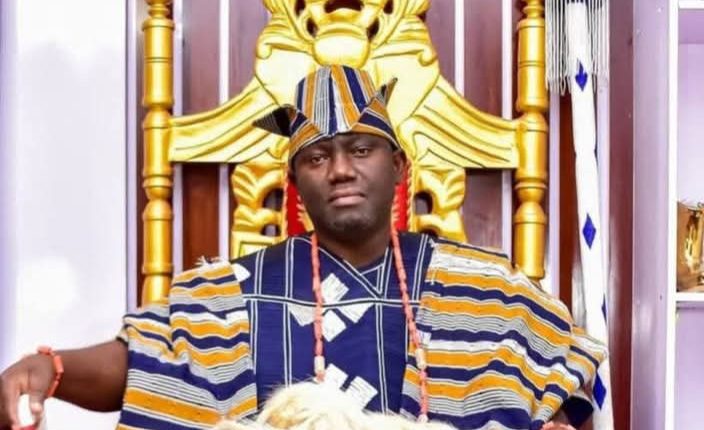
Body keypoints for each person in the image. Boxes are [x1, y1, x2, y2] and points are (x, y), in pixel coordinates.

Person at [0, 65, 603, 430]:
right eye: (317, 157)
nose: (340, 170)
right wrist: (51, 367)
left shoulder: (486, 290)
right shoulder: (233, 294)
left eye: (361, 150)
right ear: (295, 183)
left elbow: (558, 384)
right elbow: (145, 364)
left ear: (398, 167)